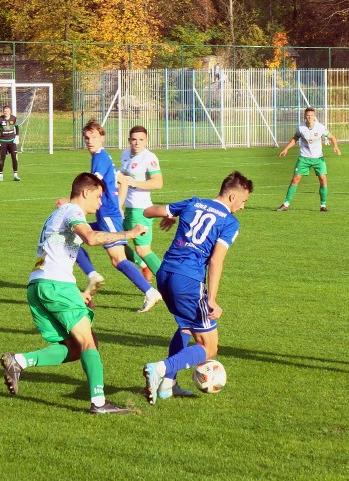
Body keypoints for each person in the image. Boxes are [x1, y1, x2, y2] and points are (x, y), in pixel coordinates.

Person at [0, 172, 148, 414]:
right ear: (86, 192)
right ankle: (99, 403)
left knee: (76, 347)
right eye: (98, 197)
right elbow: (90, 238)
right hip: (55, 286)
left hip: (39, 286)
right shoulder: (72, 212)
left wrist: (76, 293)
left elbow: (56, 254)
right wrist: (127, 235)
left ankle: (20, 361)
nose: (100, 203)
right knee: (89, 342)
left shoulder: (57, 215)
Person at [142, 171, 254, 404]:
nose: (243, 207)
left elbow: (148, 212)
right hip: (188, 279)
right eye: (244, 201)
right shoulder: (230, 222)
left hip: (165, 273)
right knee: (209, 347)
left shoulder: (193, 203)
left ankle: (167, 386)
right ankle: (160, 368)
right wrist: (211, 298)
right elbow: (216, 260)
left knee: (185, 327)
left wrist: (172, 216)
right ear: (233, 197)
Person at [61, 119, 162, 312]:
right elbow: (122, 181)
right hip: (107, 213)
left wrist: (70, 200)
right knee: (72, 237)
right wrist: (119, 205)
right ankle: (92, 275)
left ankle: (150, 292)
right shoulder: (104, 157)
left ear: (102, 138)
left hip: (107, 214)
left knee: (118, 259)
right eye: (87, 137)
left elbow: (93, 185)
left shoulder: (100, 157)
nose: (90, 141)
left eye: (94, 137)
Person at [119, 125, 163, 280]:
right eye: (134, 139)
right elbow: (121, 181)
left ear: (146, 141)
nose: (137, 143)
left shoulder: (149, 158)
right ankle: (144, 266)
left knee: (143, 250)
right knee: (115, 242)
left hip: (141, 209)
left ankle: (167, 282)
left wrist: (135, 183)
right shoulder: (125, 154)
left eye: (141, 140)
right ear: (129, 140)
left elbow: (158, 183)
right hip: (127, 208)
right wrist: (118, 204)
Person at [276, 107, 341, 212]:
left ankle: (323, 206)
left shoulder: (320, 127)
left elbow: (332, 137)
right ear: (305, 117)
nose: (309, 117)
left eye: (311, 115)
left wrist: (336, 146)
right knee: (295, 179)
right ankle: (285, 204)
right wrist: (286, 149)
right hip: (304, 158)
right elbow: (295, 139)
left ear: (314, 116)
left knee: (323, 180)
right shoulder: (301, 127)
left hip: (318, 159)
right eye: (307, 115)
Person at [0, 105, 20, 182]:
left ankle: (15, 175)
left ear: (10, 111)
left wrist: (17, 136)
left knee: (14, 157)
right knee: (2, 159)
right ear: (3, 112)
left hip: (12, 141)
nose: (6, 112)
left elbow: (17, 127)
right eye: (5, 111)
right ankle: (0, 175)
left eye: (7, 111)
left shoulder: (14, 118)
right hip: (3, 142)